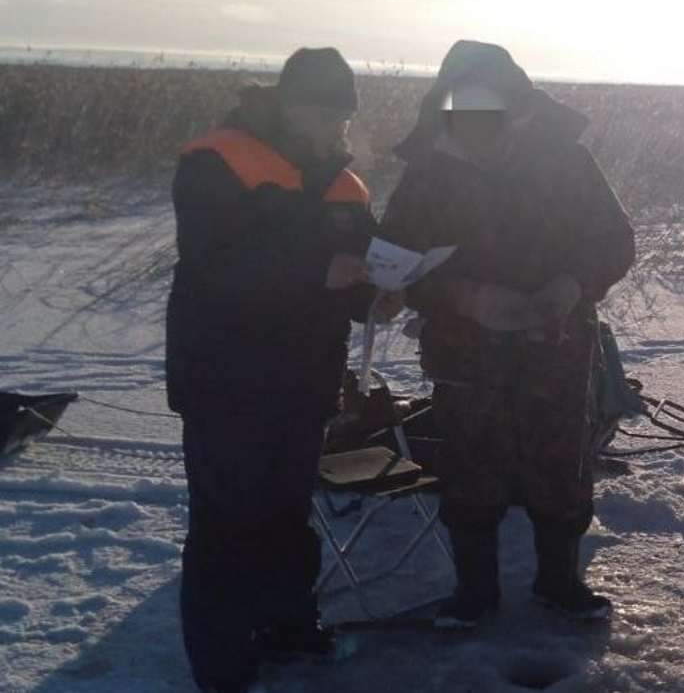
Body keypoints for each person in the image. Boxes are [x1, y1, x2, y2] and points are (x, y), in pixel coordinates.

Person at [166, 47, 402, 693]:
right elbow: (211, 263)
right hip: (227, 379)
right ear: (287, 100)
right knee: (226, 524)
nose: (332, 124)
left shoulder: (347, 185)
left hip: (303, 380)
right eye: (320, 109)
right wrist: (311, 271)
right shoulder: (216, 158)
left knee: (286, 514)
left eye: (341, 113)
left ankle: (288, 626)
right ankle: (222, 663)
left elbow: (355, 269)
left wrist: (379, 293)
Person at [381, 40, 635, 630]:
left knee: (560, 464)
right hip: (464, 353)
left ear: (516, 108)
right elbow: (394, 261)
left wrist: (572, 285)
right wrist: (464, 298)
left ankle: (560, 583)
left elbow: (615, 240)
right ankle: (475, 593)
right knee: (471, 468)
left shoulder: (566, 161)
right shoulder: (429, 171)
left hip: (558, 345)